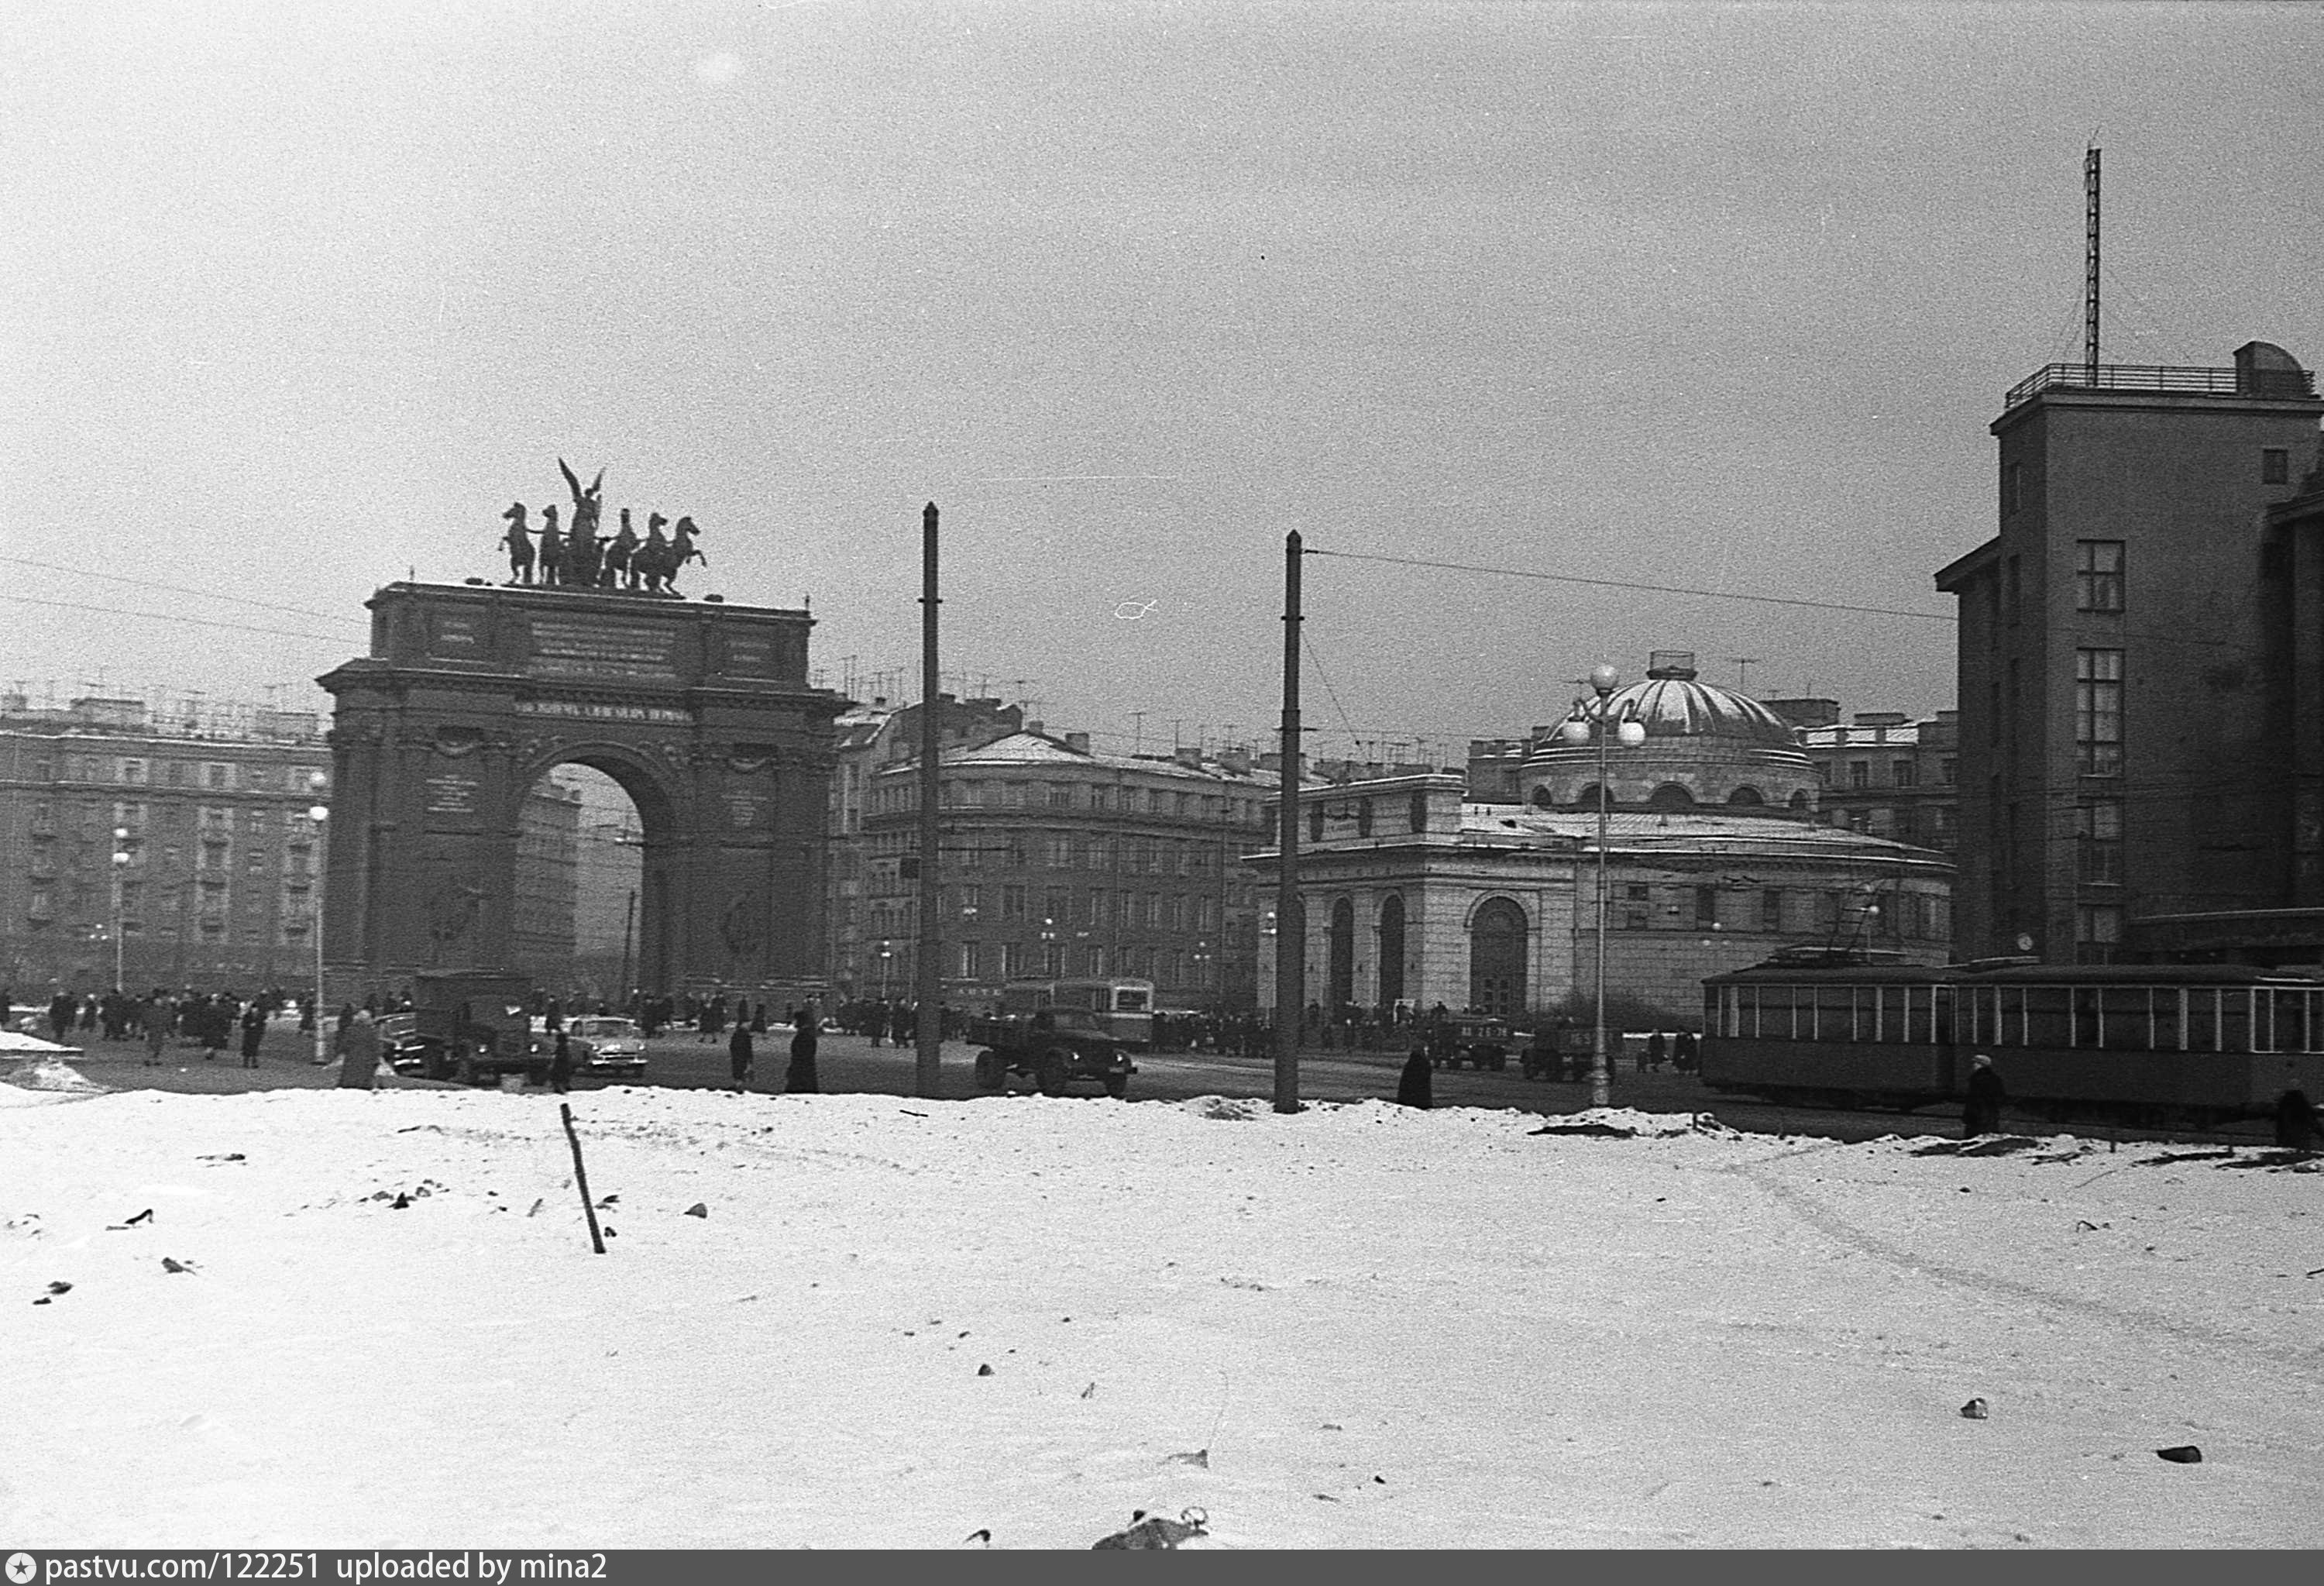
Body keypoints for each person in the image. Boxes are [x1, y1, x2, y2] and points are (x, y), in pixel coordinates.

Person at [1962, 1053, 2005, 1137]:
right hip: (1990, 1113)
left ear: (1982, 1065)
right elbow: (2000, 1095)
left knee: (1974, 1137)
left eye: (1976, 1063)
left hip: (1977, 1113)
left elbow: (1973, 1098)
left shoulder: (1977, 1078)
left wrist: (1967, 1115)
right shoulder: (1995, 1078)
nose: (1974, 1065)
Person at [337, 1009, 380, 1090]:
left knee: (350, 1074)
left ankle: (349, 1085)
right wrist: (376, 1058)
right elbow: (375, 1046)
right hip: (367, 1058)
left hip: (352, 1057)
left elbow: (345, 1045)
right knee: (365, 1075)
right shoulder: (371, 1031)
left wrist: (342, 1052)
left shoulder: (351, 1030)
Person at [2274, 1088, 2322, 1152]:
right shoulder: (2306, 1113)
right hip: (2301, 1144)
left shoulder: (2283, 1112)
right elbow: (2316, 1127)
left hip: (2286, 1145)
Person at [786, 1010, 820, 1094]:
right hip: (807, 1068)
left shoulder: (804, 1036)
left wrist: (792, 1068)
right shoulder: (808, 1034)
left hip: (801, 1069)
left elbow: (800, 1054)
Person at [1395, 1046, 1433, 1110]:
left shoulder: (1412, 1062)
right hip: (1420, 1095)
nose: (1427, 1053)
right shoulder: (1423, 1062)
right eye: (1426, 1051)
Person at [728, 1020, 755, 1092]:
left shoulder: (738, 1033)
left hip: (737, 1054)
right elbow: (748, 1047)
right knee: (741, 1069)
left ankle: (738, 1084)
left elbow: (732, 1045)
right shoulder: (744, 1034)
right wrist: (750, 1058)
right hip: (742, 1055)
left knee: (737, 1069)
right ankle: (739, 1085)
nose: (749, 1025)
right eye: (748, 1024)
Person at [239, 1001, 266, 1068]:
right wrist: (249, 1025)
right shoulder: (247, 1016)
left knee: (255, 1048)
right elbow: (243, 1025)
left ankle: (254, 1062)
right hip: (248, 1034)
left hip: (256, 1034)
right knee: (247, 1048)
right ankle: (246, 1062)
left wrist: (261, 1033)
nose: (254, 1010)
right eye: (253, 1008)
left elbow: (263, 1025)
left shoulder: (261, 1016)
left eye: (256, 1008)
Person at [550, 1029, 574, 1095]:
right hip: (565, 1064)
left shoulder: (562, 1047)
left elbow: (559, 1055)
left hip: (560, 1064)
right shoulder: (565, 1046)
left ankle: (559, 1088)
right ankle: (565, 1086)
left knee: (557, 1076)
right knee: (563, 1076)